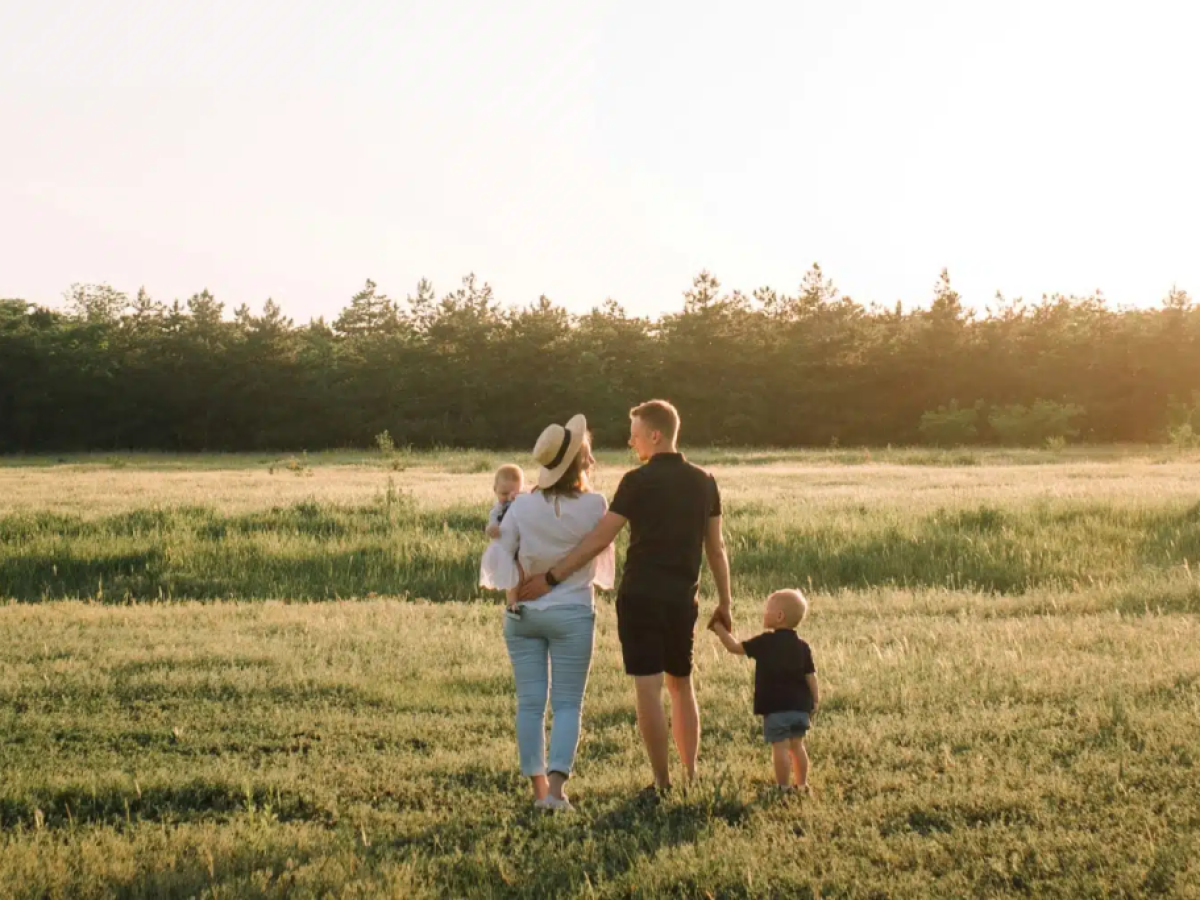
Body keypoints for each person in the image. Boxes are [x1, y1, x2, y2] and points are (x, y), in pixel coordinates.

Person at [519, 399, 732, 796]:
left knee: (648, 688)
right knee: (682, 685)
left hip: (640, 598)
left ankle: (662, 782)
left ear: (655, 434)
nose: (632, 443)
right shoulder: (706, 481)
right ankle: (691, 777)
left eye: (635, 436)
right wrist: (726, 602)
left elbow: (601, 538)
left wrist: (552, 576)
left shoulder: (636, 481)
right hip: (683, 598)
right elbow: (716, 549)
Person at [480, 414, 614, 811]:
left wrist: (515, 587)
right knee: (569, 703)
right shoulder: (595, 505)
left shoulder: (520, 506)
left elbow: (502, 554)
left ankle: (538, 792)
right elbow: (598, 552)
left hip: (523, 613)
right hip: (572, 611)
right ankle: (556, 794)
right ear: (579, 462)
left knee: (530, 703)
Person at [709, 589, 819, 792]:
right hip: (800, 708)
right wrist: (815, 701)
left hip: (776, 709)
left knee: (780, 747)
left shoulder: (765, 642)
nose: (764, 612)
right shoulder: (803, 646)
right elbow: (811, 676)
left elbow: (734, 647)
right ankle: (802, 785)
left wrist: (718, 628)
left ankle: (783, 787)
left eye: (768, 609)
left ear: (779, 616)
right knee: (797, 746)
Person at [480, 463, 526, 611]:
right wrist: (491, 529)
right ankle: (512, 604)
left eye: (514, 493)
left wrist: (520, 498)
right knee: (512, 578)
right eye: (504, 494)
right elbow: (491, 524)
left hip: (522, 546)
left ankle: (526, 600)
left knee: (525, 575)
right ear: (495, 490)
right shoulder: (497, 510)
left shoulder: (522, 502)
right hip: (506, 548)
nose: (508, 498)